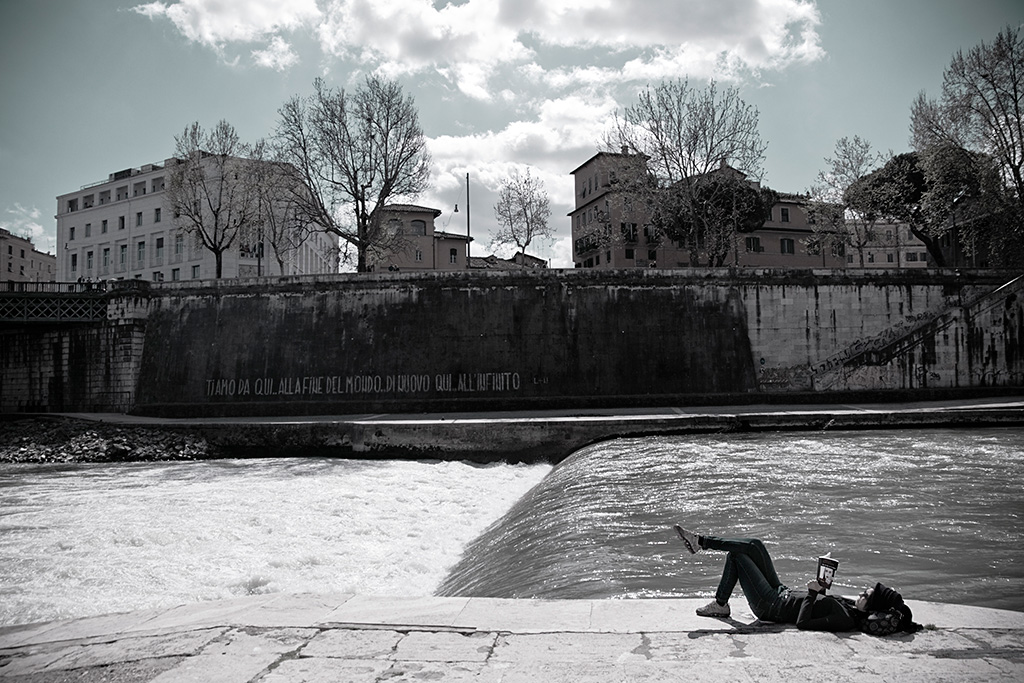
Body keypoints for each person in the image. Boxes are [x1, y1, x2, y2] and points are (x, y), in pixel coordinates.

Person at [674, 525, 921, 636]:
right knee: (755, 545)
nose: (861, 594)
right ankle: (701, 542)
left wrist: (813, 593)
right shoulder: (850, 608)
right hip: (780, 591)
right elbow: (819, 605)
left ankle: (720, 603)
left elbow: (803, 623)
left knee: (737, 557)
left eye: (867, 596)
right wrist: (822, 588)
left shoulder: (845, 620)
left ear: (873, 609)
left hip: (771, 605)